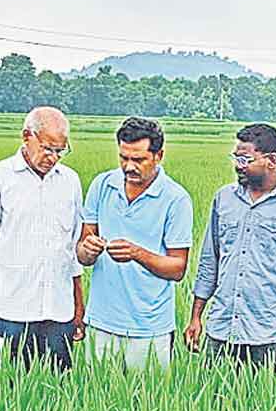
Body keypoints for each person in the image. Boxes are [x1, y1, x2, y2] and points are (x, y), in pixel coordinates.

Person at [184, 123, 276, 367]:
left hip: (271, 334)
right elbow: (210, 261)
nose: (238, 165)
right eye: (235, 158)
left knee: (271, 402)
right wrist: (196, 317)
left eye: (245, 159)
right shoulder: (224, 198)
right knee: (212, 401)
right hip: (221, 329)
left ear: (271, 160)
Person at [0, 106, 84, 370]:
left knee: (58, 394)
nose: (53, 158)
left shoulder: (70, 181)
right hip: (10, 312)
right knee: (6, 394)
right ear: (26, 136)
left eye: (60, 151)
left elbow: (72, 251)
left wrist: (78, 308)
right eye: (47, 148)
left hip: (58, 311)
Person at [76, 117, 193, 370]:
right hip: (101, 321)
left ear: (158, 155)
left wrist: (137, 253)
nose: (129, 166)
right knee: (95, 400)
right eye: (123, 157)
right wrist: (89, 249)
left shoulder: (176, 198)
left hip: (149, 328)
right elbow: (82, 252)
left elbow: (178, 268)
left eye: (138, 160)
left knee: (148, 404)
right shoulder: (102, 185)